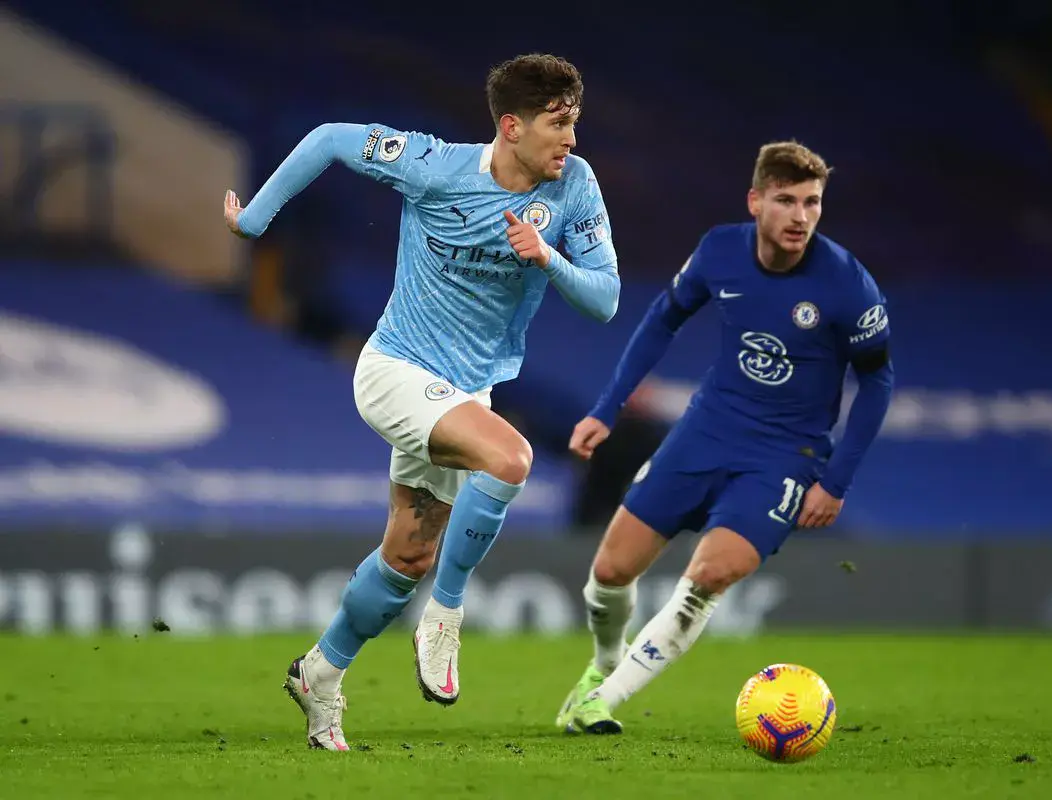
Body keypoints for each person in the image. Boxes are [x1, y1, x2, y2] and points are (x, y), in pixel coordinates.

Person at [223, 53, 619, 750]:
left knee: (405, 557)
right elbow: (330, 140)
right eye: (558, 124)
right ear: (511, 126)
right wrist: (256, 219)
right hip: (395, 371)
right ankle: (448, 611)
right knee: (511, 456)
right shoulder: (434, 166)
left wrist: (548, 259)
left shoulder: (575, 187)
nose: (572, 140)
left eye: (575, 124)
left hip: (464, 391)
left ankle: (319, 673)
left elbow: (606, 299)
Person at [555, 140, 893, 734]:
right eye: (786, 200)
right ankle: (602, 670)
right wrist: (608, 408)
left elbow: (878, 381)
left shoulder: (847, 284)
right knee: (609, 573)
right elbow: (664, 319)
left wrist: (834, 480)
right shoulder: (719, 250)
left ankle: (602, 702)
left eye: (812, 202)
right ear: (756, 201)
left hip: (787, 455)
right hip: (705, 431)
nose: (800, 216)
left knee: (709, 576)